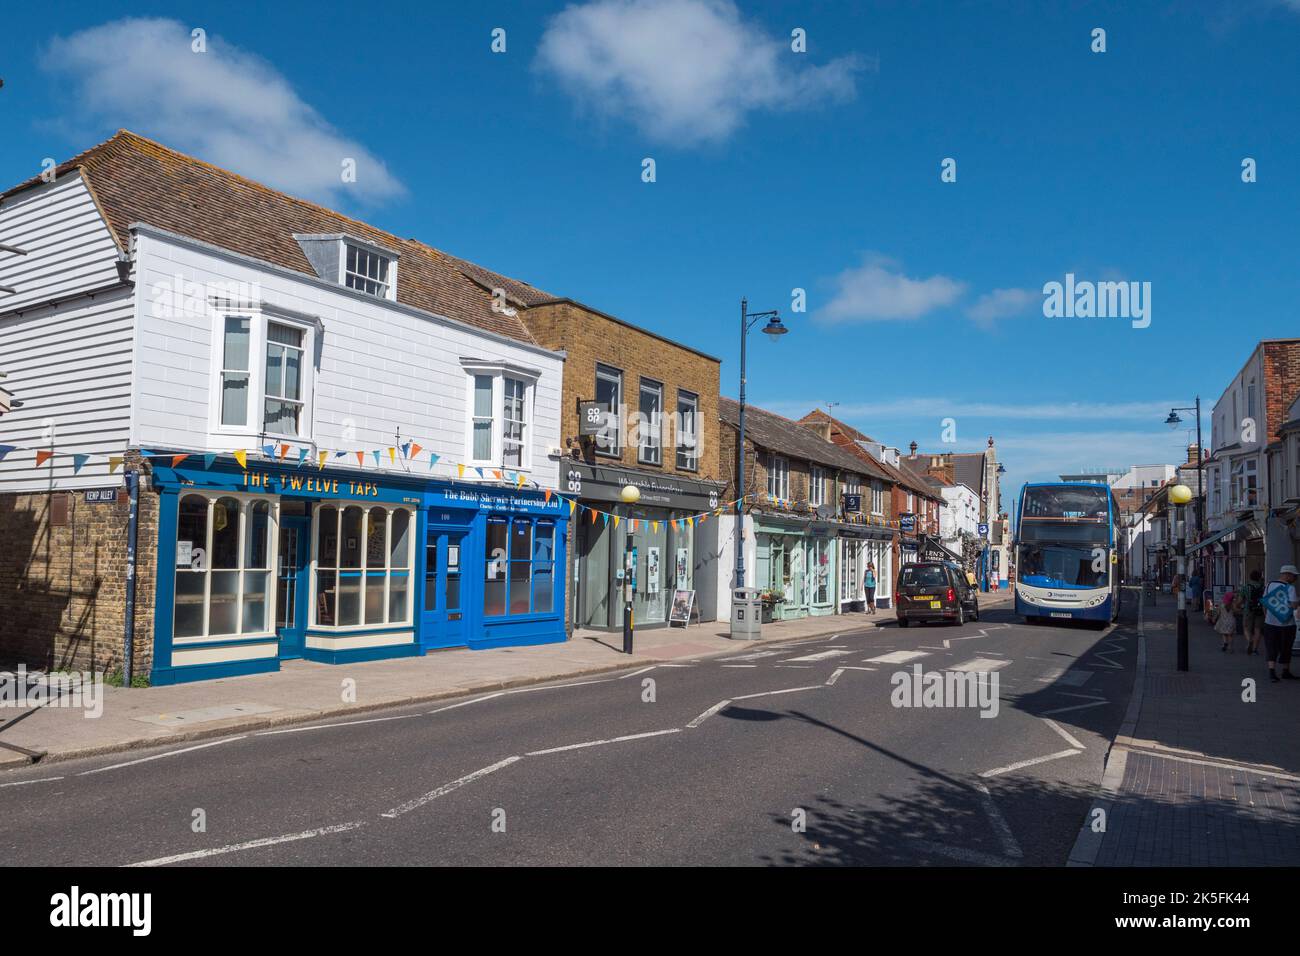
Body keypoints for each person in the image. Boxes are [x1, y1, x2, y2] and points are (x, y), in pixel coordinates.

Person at [1261, 565, 1300, 683]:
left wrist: (1267, 617)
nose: (1295, 578)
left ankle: (1272, 672)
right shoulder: (1290, 588)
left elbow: (1265, 603)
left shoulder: (1269, 585)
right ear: (1288, 575)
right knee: (1286, 647)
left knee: (1271, 646)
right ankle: (1285, 671)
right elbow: (1294, 606)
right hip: (1287, 624)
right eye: (1294, 576)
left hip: (1270, 622)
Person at [1240, 569, 1266, 655]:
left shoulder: (1245, 587)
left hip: (1248, 609)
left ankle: (1250, 640)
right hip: (1260, 610)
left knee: (1246, 627)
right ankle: (1255, 650)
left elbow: (1240, 600)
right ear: (1259, 578)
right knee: (1257, 629)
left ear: (1250, 577)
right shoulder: (1263, 587)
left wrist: (1238, 605)